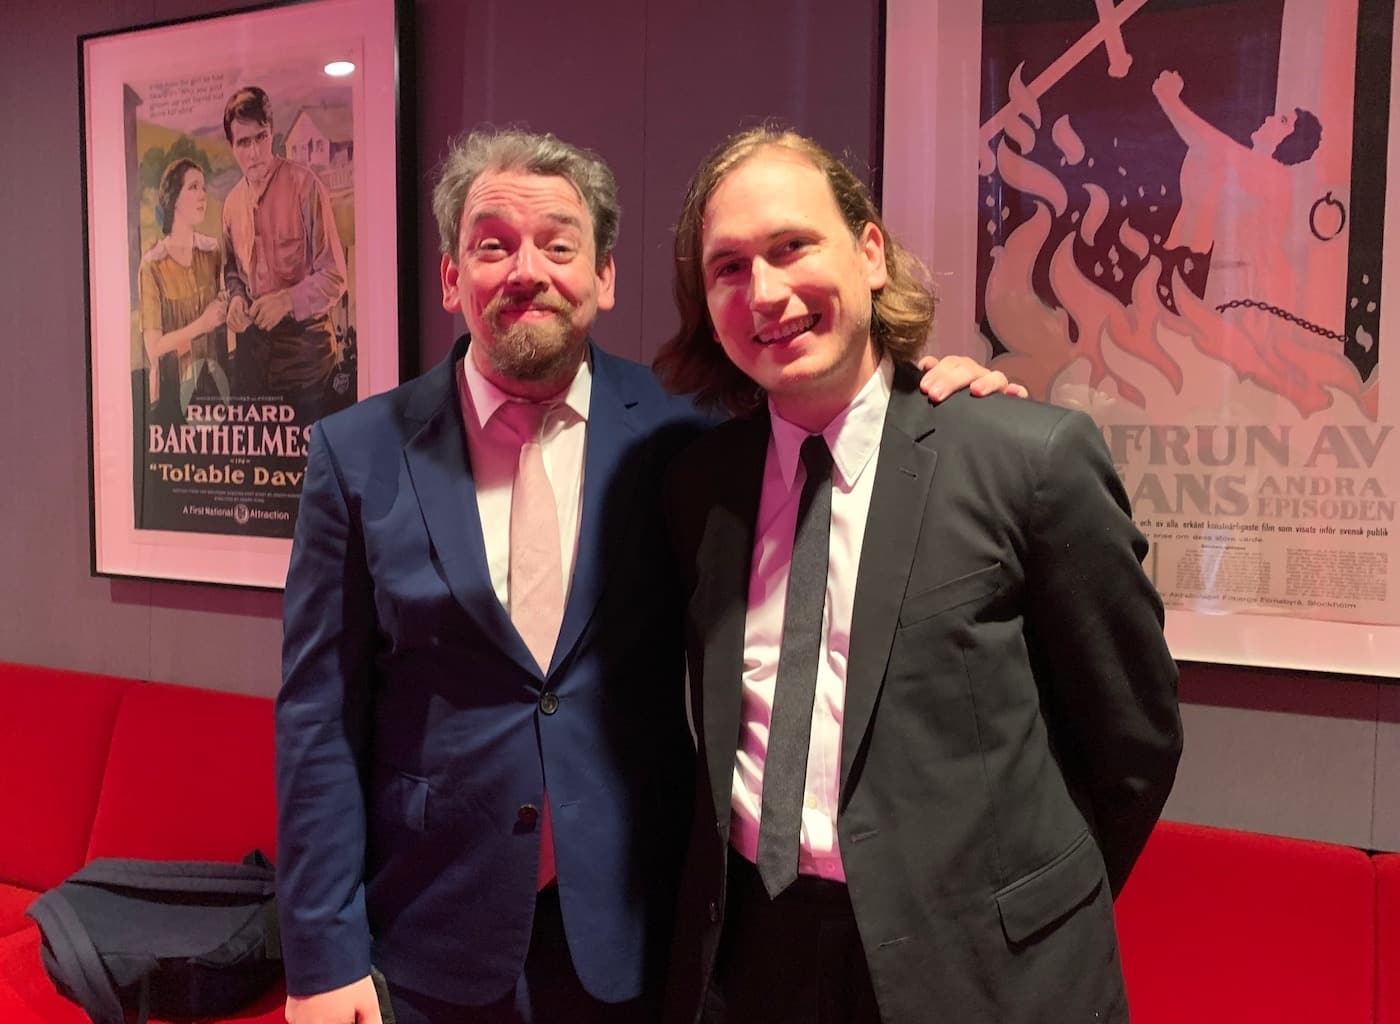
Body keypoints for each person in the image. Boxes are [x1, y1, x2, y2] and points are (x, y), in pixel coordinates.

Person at [276, 127, 1015, 1024]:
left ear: (605, 276)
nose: (526, 271)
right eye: (492, 245)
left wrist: (929, 386)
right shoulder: (355, 456)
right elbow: (318, 720)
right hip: (431, 933)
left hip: (636, 930)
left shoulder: (689, 435)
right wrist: (321, 956)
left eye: (558, 244)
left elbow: (834, 415)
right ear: (449, 276)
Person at [654, 126, 1183, 1024]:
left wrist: (1027, 914)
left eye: (791, 247)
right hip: (756, 961)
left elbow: (1135, 743)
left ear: (869, 252)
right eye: (729, 268)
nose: (766, 293)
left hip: (985, 975)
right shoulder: (697, 489)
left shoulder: (1027, 459)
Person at [221, 86, 348, 422]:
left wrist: (288, 301)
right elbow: (232, 272)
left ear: (272, 132)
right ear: (232, 147)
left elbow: (335, 277)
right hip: (253, 365)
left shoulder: (306, 187)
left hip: (307, 366)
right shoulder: (231, 204)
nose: (254, 152)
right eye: (243, 143)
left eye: (260, 138)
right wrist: (235, 299)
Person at [138, 157, 228, 423]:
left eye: (204, 188)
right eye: (193, 187)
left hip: (213, 389)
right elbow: (154, 349)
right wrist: (202, 324)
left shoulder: (211, 251)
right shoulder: (152, 265)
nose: (203, 195)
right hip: (172, 398)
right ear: (174, 198)